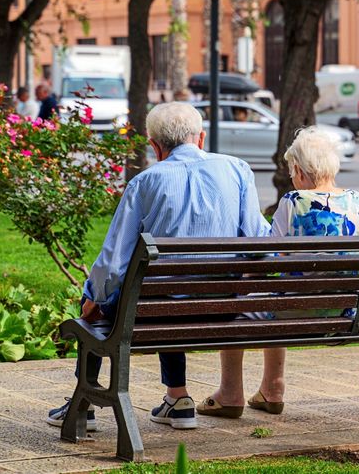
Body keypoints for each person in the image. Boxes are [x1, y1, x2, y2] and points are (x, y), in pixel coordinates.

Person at [46, 102, 270, 431]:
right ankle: (177, 400)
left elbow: (113, 261)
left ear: (155, 146)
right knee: (167, 291)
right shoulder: (237, 170)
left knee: (107, 298)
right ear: (201, 138)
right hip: (221, 307)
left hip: (156, 310)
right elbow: (259, 241)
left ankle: (84, 406)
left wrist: (92, 299)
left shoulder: (145, 182)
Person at [197, 126, 359, 419]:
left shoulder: (294, 201)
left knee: (235, 306)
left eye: (292, 171)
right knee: (276, 297)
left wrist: (245, 279)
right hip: (343, 310)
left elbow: (270, 258)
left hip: (295, 310)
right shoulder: (357, 200)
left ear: (300, 171)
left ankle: (230, 394)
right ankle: (272, 389)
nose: (292, 178)